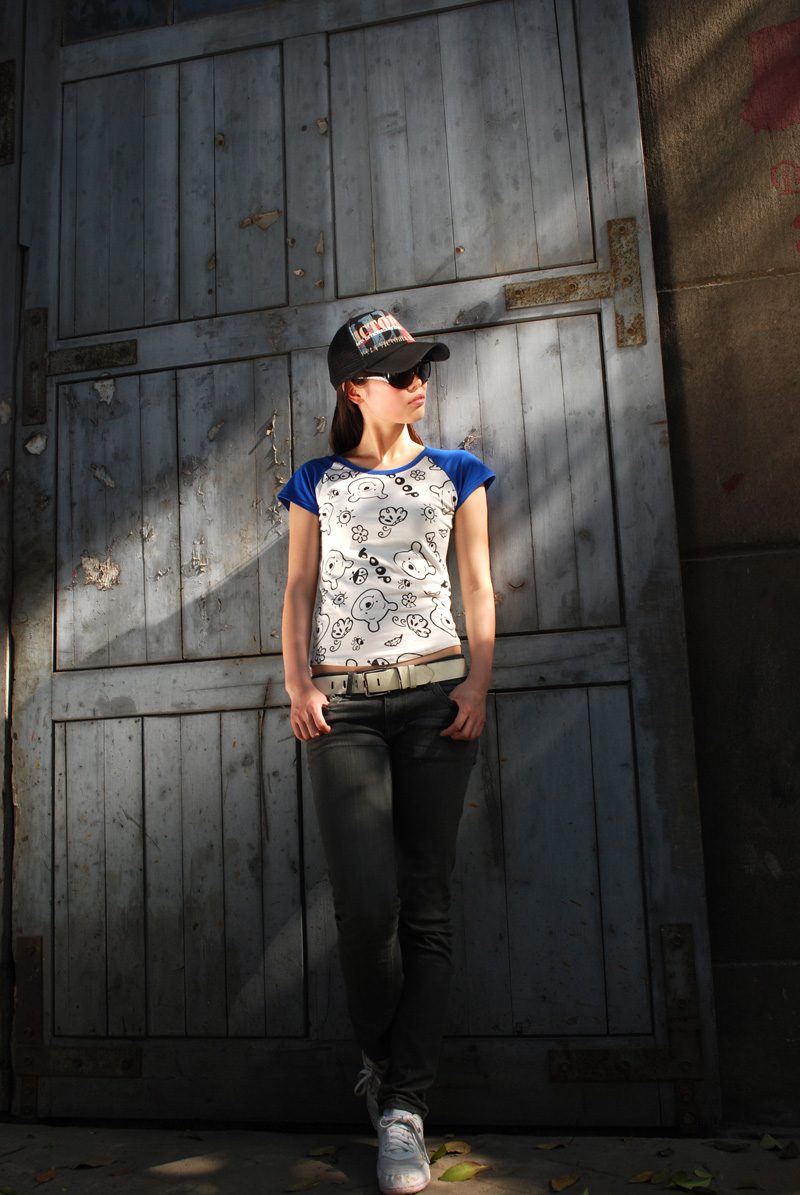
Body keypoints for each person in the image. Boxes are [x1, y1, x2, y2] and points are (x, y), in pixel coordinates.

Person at [279, 310, 495, 1195]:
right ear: (353, 390)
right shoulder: (315, 481)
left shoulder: (458, 472)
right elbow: (299, 588)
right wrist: (298, 683)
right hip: (344, 710)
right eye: (399, 373)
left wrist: (478, 681)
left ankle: (405, 1107)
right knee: (367, 908)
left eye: (422, 370)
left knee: (426, 908)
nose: (417, 384)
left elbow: (477, 582)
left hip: (438, 702)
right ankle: (380, 1058)